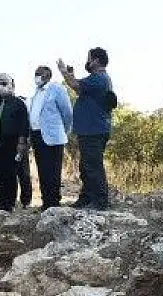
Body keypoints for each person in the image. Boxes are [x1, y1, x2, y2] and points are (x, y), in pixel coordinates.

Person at [58, 47, 113, 210]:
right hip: (90, 129)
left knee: (93, 166)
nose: (87, 61)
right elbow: (79, 87)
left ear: (96, 60)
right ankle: (87, 197)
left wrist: (63, 72)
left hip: (93, 130)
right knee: (86, 166)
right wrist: (72, 75)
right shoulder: (96, 79)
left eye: (89, 58)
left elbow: (75, 85)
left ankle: (101, 201)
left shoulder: (99, 78)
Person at [0, 74, 30, 211]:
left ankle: (9, 204)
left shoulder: (19, 104)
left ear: (12, 85)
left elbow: (23, 125)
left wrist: (21, 144)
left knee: (10, 174)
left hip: (12, 143)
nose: (1, 86)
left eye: (4, 83)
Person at [28, 66, 73, 209]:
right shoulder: (36, 93)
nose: (36, 77)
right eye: (35, 74)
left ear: (47, 75)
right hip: (37, 135)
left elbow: (67, 113)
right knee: (42, 170)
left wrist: (62, 131)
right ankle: (46, 201)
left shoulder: (57, 89)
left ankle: (53, 202)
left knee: (53, 171)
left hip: (53, 136)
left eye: (39, 74)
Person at [17, 93, 33, 208]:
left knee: (24, 174)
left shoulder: (27, 106)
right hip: (9, 143)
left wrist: (26, 143)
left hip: (23, 144)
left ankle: (26, 201)